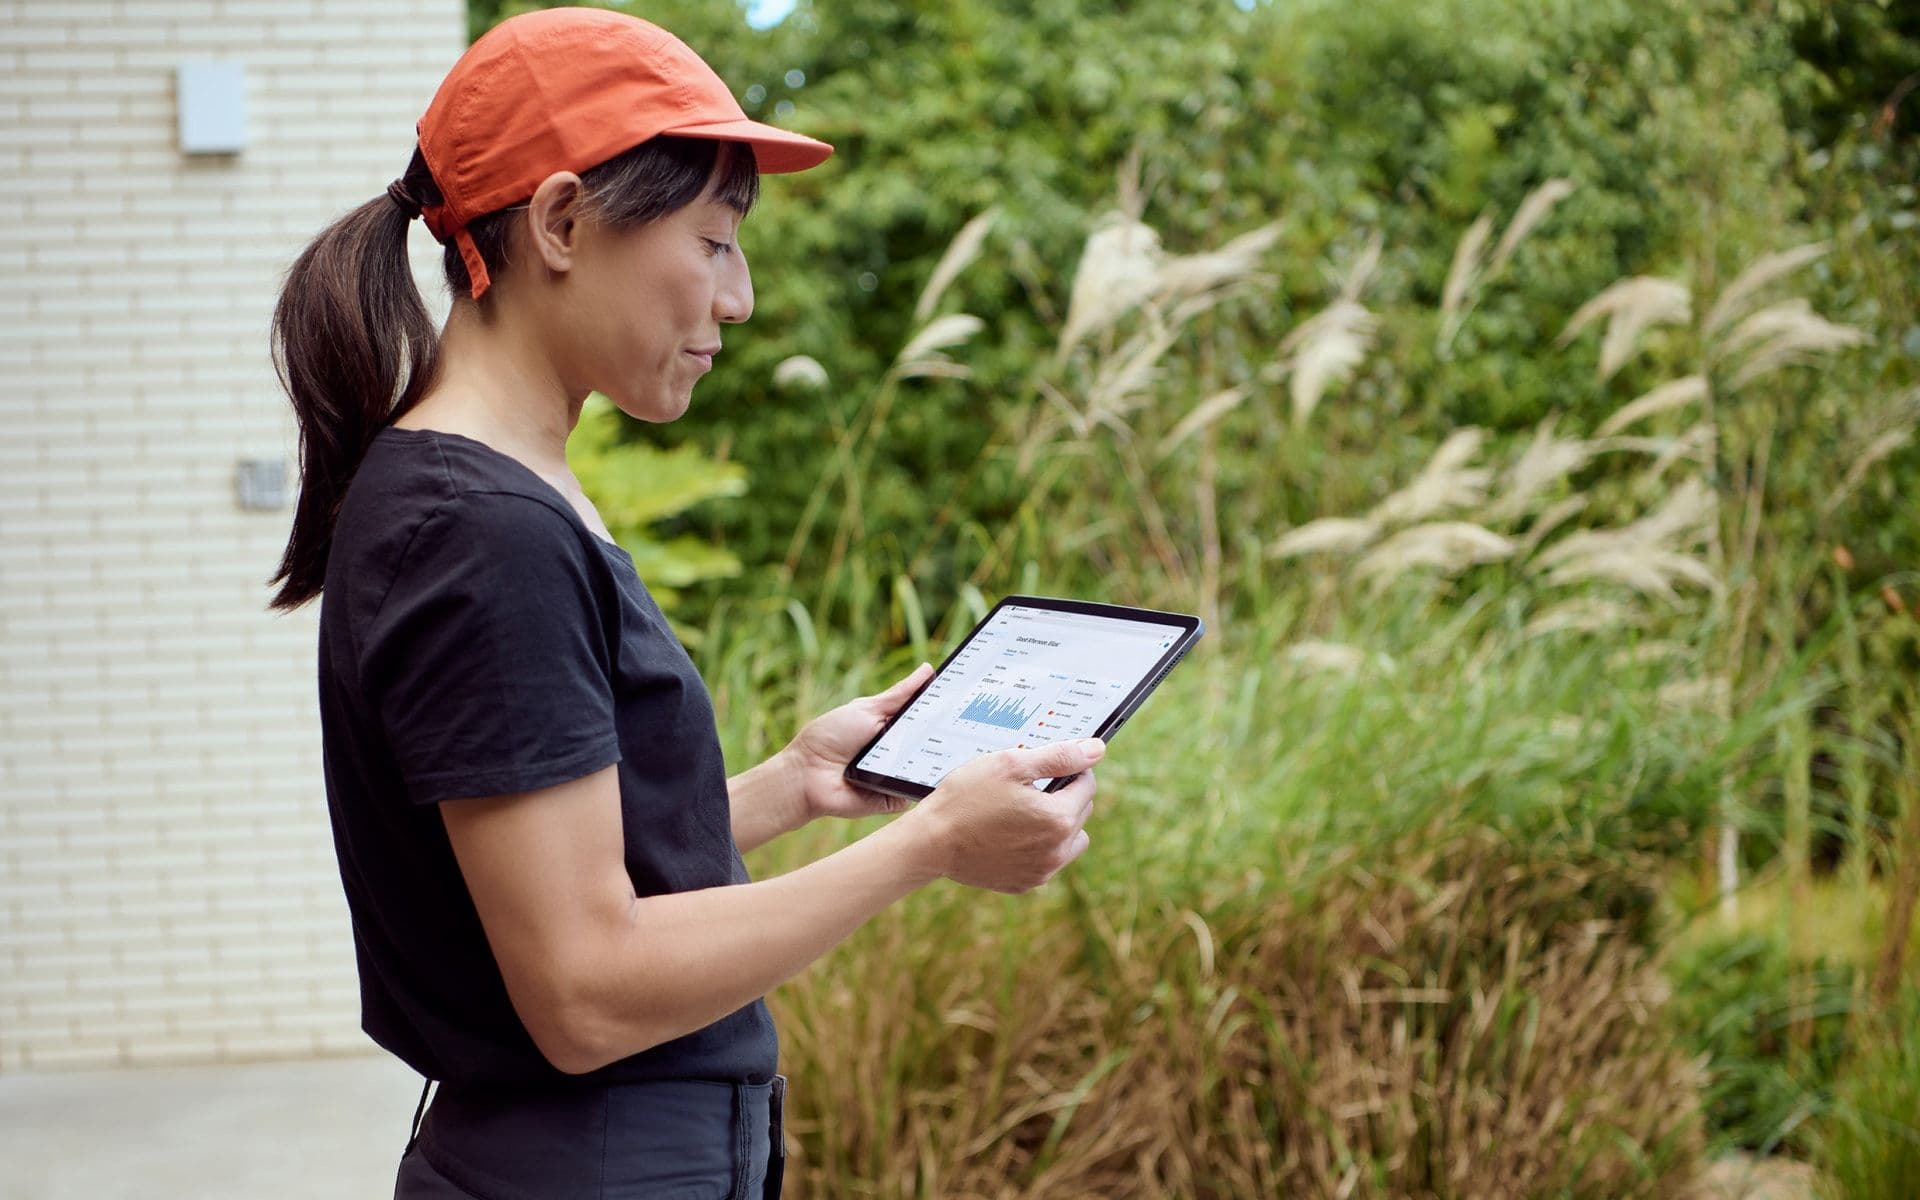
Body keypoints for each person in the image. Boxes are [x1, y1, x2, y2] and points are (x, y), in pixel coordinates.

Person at [265, 8, 1105, 1198]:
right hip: (592, 1163)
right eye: (713, 243)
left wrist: (796, 787)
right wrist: (928, 846)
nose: (739, 297)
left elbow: (553, 866)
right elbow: (585, 989)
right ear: (560, 221)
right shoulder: (480, 529)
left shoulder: (493, 490)